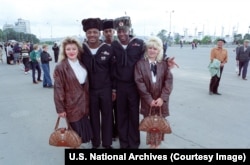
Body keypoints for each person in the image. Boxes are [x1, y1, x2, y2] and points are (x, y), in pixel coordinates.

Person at [112, 16, 145, 149]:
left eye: (124, 31)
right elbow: (112, 68)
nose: (121, 34)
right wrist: (113, 88)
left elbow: (152, 55)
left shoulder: (139, 43)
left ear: (129, 30)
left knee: (133, 115)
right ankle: (123, 143)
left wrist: (165, 61)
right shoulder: (114, 45)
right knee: (121, 115)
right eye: (119, 31)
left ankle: (134, 143)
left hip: (134, 86)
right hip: (120, 86)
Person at [134, 36, 173, 149]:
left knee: (159, 123)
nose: (152, 50)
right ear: (146, 49)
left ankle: (156, 146)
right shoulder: (140, 64)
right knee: (151, 124)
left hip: (161, 101)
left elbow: (168, 82)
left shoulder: (164, 64)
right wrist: (149, 99)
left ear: (159, 50)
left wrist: (162, 98)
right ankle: (152, 146)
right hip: (148, 101)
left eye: (155, 49)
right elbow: (139, 82)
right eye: (150, 48)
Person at [53, 36, 93, 147]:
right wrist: (60, 109)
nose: (71, 51)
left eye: (74, 49)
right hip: (71, 106)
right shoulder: (61, 67)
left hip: (84, 106)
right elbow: (58, 89)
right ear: (64, 51)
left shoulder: (81, 64)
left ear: (78, 50)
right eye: (68, 49)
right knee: (73, 136)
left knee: (82, 135)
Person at [81, 18, 114, 149]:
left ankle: (107, 143)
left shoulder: (107, 48)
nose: (92, 35)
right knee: (93, 117)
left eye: (95, 32)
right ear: (86, 34)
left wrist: (114, 90)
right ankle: (95, 143)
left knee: (107, 116)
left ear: (99, 33)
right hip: (90, 90)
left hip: (106, 89)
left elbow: (113, 70)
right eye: (89, 32)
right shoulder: (82, 49)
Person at [102, 18, 118, 141]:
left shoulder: (118, 45)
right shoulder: (101, 46)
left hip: (118, 83)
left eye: (110, 31)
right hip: (105, 84)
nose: (108, 33)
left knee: (119, 110)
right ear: (103, 33)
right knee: (108, 111)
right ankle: (110, 133)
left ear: (114, 32)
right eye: (106, 31)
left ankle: (118, 131)